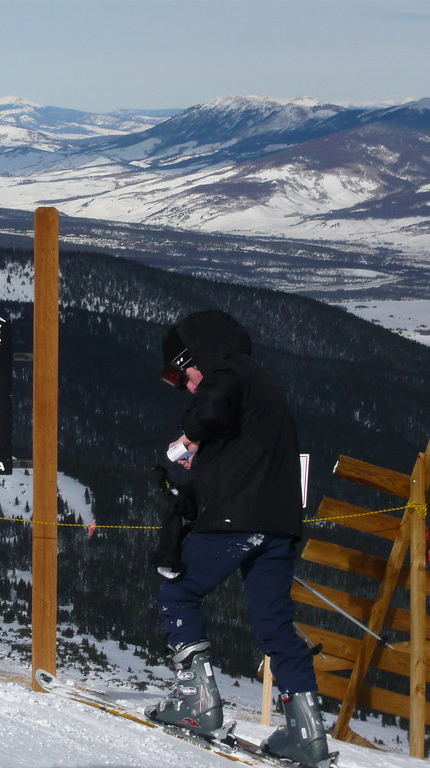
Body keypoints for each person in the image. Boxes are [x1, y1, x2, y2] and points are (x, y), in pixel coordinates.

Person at [150, 310, 333, 768]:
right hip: (281, 526)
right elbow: (243, 447)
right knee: (274, 624)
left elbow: (215, 399)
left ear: (196, 355)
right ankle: (306, 733)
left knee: (179, 592)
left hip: (237, 520)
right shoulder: (262, 387)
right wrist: (207, 458)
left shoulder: (229, 372)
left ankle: (197, 703)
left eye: (180, 372)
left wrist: (190, 439)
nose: (183, 384)